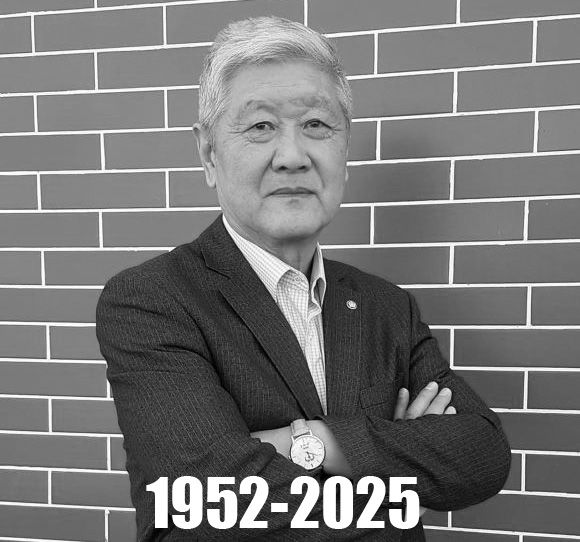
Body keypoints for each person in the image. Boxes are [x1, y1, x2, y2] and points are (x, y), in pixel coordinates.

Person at [96, 16, 511, 541]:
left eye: (316, 124)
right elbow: (212, 496)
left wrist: (307, 443)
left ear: (345, 149)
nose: (292, 157)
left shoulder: (387, 307)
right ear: (208, 154)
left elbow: (482, 455)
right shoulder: (153, 300)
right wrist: (399, 474)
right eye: (260, 127)